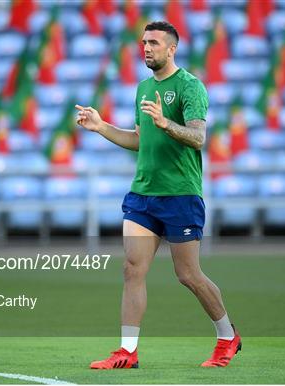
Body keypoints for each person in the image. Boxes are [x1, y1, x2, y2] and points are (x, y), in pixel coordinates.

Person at [75, 21, 241, 369]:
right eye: (144, 42)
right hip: (142, 195)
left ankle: (227, 336)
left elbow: (198, 138)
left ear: (172, 48)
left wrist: (168, 124)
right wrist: (101, 127)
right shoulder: (143, 88)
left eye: (154, 43)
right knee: (132, 269)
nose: (146, 48)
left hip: (180, 195)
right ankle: (127, 351)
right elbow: (140, 140)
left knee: (188, 275)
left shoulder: (190, 87)